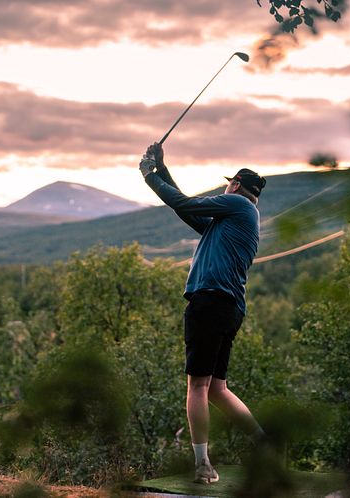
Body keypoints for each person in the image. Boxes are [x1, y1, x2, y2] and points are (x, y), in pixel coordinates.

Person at [139, 142, 267, 484]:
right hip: (229, 307)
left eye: (228, 183)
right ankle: (264, 446)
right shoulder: (236, 221)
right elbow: (187, 211)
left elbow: (184, 202)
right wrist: (162, 170)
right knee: (217, 389)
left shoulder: (236, 204)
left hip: (210, 302)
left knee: (197, 386)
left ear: (236, 185)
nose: (225, 188)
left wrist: (148, 176)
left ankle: (202, 466)